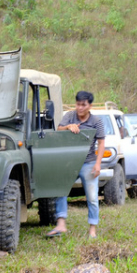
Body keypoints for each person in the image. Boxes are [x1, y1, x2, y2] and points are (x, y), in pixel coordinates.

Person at [46, 91, 105, 239]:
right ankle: (61, 224)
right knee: (61, 189)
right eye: (78, 104)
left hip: (88, 162)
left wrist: (98, 164)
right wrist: (68, 127)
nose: (80, 108)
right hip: (69, 162)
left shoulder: (96, 121)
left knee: (91, 196)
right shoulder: (69, 116)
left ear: (89, 106)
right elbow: (58, 130)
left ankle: (92, 229)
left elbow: (101, 142)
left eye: (83, 105)